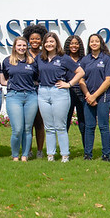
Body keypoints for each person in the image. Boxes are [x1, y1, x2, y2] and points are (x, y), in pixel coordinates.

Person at [36, 32, 84, 163]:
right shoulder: (40, 58)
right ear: (43, 44)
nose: (49, 44)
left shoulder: (63, 58)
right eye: (46, 42)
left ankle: (65, 155)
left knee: (61, 126)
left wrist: (69, 84)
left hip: (59, 93)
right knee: (49, 127)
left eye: (52, 41)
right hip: (43, 93)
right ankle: (50, 155)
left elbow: (81, 72)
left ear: (56, 43)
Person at [79, 33, 110, 162]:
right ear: (89, 44)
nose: (94, 43)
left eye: (96, 41)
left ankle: (106, 154)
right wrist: (88, 95)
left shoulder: (106, 59)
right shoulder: (85, 60)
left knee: (103, 126)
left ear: (101, 43)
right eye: (91, 41)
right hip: (88, 97)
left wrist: (94, 96)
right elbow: (81, 79)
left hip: (103, 97)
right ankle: (87, 154)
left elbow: (109, 80)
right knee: (89, 126)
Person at [3, 36, 39, 162]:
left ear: (27, 47)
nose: (22, 48)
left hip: (31, 96)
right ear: (14, 47)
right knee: (17, 129)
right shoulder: (7, 61)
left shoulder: (32, 62)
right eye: (19, 45)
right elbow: (5, 77)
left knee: (28, 129)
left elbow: (36, 78)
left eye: (24, 45)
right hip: (14, 96)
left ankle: (25, 155)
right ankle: (15, 155)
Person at [24, 24, 47, 157]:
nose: (34, 41)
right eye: (32, 39)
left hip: (41, 89)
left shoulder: (44, 54)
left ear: (42, 40)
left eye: (37, 39)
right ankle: (28, 150)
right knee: (28, 123)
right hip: (27, 89)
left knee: (39, 122)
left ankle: (39, 150)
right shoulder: (24, 53)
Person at [64, 35, 87, 146]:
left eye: (76, 43)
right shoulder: (63, 58)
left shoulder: (85, 59)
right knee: (66, 122)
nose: (74, 46)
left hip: (82, 93)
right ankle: (64, 149)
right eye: (71, 43)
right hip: (67, 93)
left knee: (83, 122)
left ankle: (87, 150)